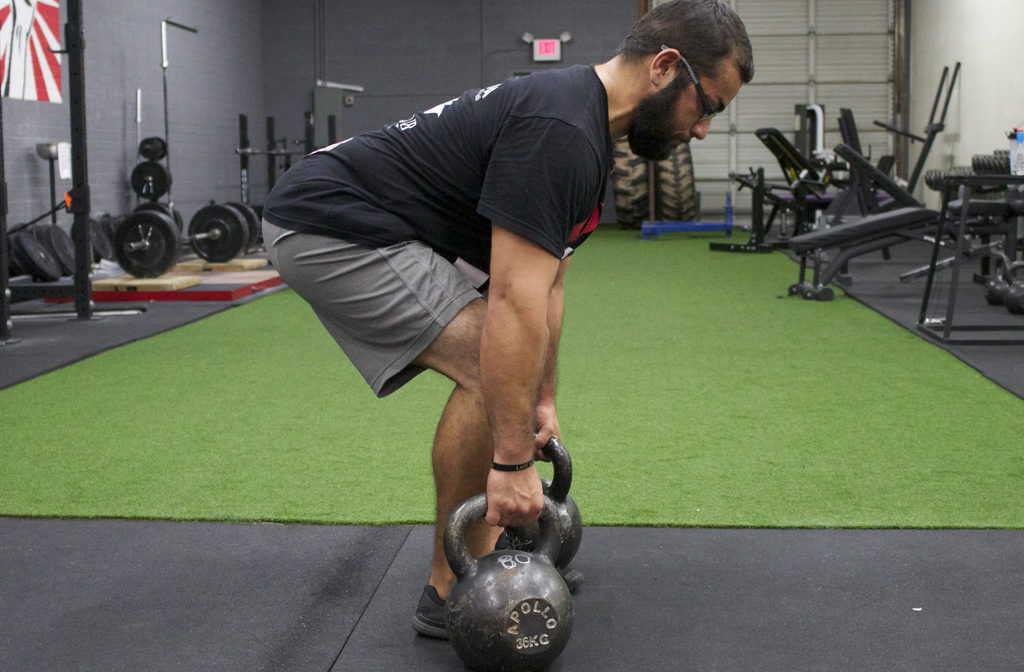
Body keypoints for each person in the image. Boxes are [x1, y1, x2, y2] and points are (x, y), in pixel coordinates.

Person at [261, 0, 753, 639]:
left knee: (510, 387)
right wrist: (514, 458)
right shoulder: (561, 129)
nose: (704, 129)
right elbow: (513, 307)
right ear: (665, 67)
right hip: (328, 225)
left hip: (384, 227)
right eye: (707, 106)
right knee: (488, 374)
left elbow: (549, 289)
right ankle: (452, 585)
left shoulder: (588, 133)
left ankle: (493, 537)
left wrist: (542, 399)